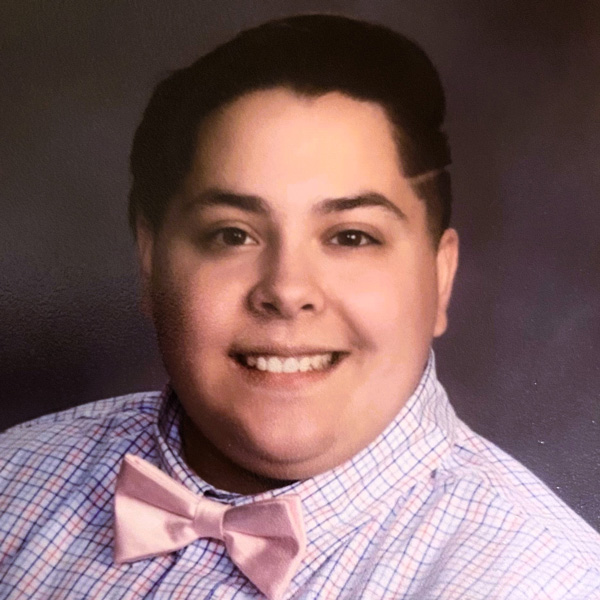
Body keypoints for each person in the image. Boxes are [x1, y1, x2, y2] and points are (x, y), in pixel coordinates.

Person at [1, 13, 599, 600]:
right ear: (150, 260)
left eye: (350, 237)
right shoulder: (13, 478)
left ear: (440, 277)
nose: (287, 291)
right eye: (232, 234)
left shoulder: (543, 581)